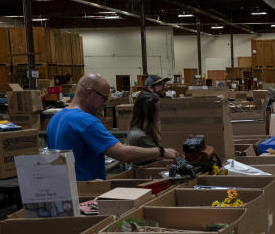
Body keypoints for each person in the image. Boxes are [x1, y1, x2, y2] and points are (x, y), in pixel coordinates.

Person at [47, 74, 177, 181]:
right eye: (104, 98)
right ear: (89, 93)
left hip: (64, 189)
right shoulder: (86, 121)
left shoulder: (56, 118)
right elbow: (123, 153)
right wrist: (161, 151)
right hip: (86, 191)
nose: (105, 104)